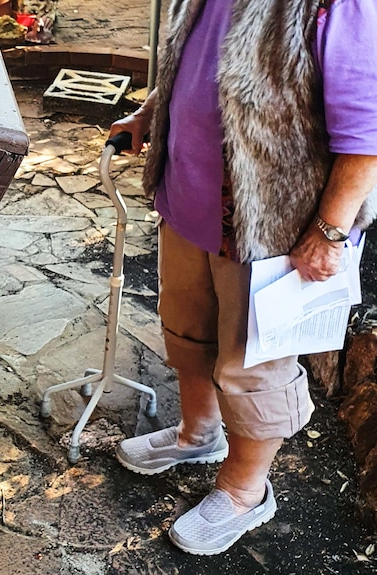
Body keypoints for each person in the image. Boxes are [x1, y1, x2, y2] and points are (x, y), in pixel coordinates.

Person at [108, 0, 377, 556]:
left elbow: (368, 132)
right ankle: (197, 436)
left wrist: (328, 233)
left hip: (274, 227)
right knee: (186, 327)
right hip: (191, 203)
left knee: (253, 363)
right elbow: (193, 64)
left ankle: (244, 491)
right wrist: (150, 115)